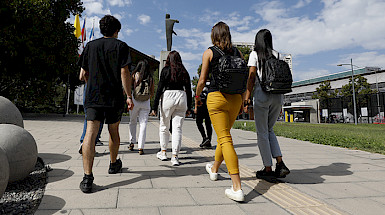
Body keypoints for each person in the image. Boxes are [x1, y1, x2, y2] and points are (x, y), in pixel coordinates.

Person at [78, 15, 134, 193]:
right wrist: (129, 95)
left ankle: (87, 177)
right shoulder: (121, 46)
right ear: (116, 31)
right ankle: (113, 163)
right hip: (114, 97)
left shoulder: (90, 46)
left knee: (90, 133)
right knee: (113, 130)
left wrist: (91, 83)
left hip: (94, 96)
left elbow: (82, 74)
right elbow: (124, 72)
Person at [195, 21, 245, 202]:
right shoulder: (238, 53)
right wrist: (243, 101)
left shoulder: (209, 52)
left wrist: (197, 96)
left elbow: (202, 80)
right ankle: (215, 169)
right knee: (224, 137)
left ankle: (237, 187)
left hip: (216, 97)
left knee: (224, 138)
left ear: (214, 35)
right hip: (235, 99)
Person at [244, 29, 290, 183]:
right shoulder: (278, 54)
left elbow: (251, 76)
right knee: (269, 130)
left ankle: (268, 168)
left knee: (262, 133)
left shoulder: (254, 54)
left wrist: (247, 97)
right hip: (278, 96)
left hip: (262, 95)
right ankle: (280, 162)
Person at [151, 51, 192, 166]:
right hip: (181, 97)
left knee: (164, 126)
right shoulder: (184, 71)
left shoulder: (165, 70)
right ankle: (175, 157)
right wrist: (190, 106)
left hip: (168, 96)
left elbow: (159, 88)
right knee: (177, 128)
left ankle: (163, 152)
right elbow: (189, 90)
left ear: (168, 59)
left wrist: (154, 106)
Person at [128, 60, 154, 155]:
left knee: (133, 121)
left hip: (135, 100)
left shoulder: (134, 75)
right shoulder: (150, 77)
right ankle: (141, 147)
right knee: (143, 124)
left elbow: (130, 86)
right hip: (145, 102)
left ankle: (132, 142)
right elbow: (152, 92)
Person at [79, 83, 104, 155]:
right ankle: (91, 145)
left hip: (88, 88)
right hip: (100, 88)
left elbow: (81, 76)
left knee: (88, 118)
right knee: (98, 119)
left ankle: (84, 142)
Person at [194, 81, 212, 149]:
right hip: (201, 104)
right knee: (200, 122)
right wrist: (196, 107)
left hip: (207, 104)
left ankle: (208, 140)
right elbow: (196, 95)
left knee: (207, 123)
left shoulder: (208, 82)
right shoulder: (201, 82)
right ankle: (205, 138)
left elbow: (196, 95)